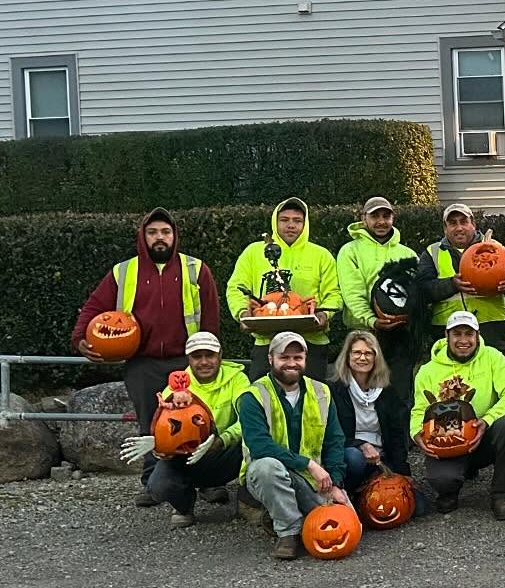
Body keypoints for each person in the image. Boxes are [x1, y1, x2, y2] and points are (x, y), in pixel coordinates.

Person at [72, 206, 221, 505]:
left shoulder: (196, 269)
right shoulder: (123, 271)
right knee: (151, 424)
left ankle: (206, 481)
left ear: (174, 236)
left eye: (165, 232)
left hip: (187, 361)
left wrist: (209, 356)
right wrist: (79, 339)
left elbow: (211, 316)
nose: (159, 238)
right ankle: (153, 483)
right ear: (143, 237)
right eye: (152, 232)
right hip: (143, 362)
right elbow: (93, 308)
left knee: (200, 420)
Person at [237, 332, 349, 561]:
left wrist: (335, 482)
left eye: (297, 357)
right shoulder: (253, 396)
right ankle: (289, 533)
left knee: (346, 523)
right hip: (272, 474)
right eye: (284, 357)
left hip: (311, 479)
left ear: (305, 359)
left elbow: (335, 440)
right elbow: (259, 447)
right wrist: (308, 463)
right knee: (267, 468)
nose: (291, 363)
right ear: (271, 359)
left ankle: (283, 514)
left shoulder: (321, 392)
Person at [121, 332, 249, 528]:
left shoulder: (238, 380)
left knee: (255, 444)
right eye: (197, 356)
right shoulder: (174, 390)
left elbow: (248, 419)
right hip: (186, 455)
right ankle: (183, 504)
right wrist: (159, 446)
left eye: (210, 355)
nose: (204, 362)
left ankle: (248, 500)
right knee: (158, 486)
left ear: (220, 355)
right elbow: (164, 428)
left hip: (225, 450)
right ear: (188, 358)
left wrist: (222, 440)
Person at [411, 312, 505, 520]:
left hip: (484, 435)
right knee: (442, 479)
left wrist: (487, 420)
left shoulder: (492, 357)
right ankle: (449, 491)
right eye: (457, 334)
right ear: (447, 336)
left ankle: (502, 494)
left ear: (477, 335)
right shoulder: (427, 371)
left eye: (468, 334)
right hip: (447, 441)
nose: (463, 340)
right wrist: (416, 432)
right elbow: (420, 408)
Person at [227, 198, 341, 380]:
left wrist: (324, 316)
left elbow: (334, 293)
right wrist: (242, 313)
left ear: (305, 223)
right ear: (275, 221)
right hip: (266, 340)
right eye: (284, 220)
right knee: (263, 398)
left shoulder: (321, 255)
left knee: (313, 400)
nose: (291, 225)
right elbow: (236, 288)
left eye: (297, 221)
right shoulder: (254, 252)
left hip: (311, 342)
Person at [336, 196, 419, 399]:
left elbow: (416, 293)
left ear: (393, 218)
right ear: (363, 218)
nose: (381, 221)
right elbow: (352, 292)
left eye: (386, 216)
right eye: (375, 216)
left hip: (400, 336)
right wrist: (372, 320)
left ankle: (398, 431)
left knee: (398, 394)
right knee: (363, 396)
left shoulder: (408, 254)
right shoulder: (350, 251)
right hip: (364, 333)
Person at [415, 202, 505, 352]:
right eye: (452, 223)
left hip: (491, 329)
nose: (459, 228)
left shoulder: (494, 248)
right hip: (448, 333)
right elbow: (423, 290)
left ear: (473, 224)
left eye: (464, 222)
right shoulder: (433, 253)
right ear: (445, 228)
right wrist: (451, 284)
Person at [330, 329, 413, 501]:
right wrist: (361, 444)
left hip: (381, 459)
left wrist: (403, 472)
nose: (362, 358)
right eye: (357, 353)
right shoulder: (334, 391)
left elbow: (397, 434)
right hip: (351, 455)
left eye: (368, 353)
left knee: (416, 506)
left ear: (376, 358)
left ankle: (368, 492)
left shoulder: (387, 392)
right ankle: (350, 493)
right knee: (353, 458)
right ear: (347, 356)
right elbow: (331, 434)